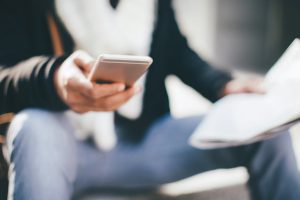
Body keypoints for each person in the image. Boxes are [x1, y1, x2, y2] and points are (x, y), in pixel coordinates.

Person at [0, 0, 299, 199]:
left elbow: (177, 51)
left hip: (144, 141)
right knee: (33, 125)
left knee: (266, 127)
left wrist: (223, 85)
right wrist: (52, 78)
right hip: (67, 149)